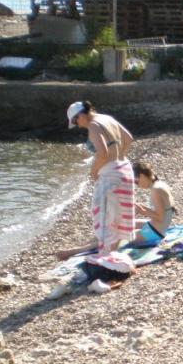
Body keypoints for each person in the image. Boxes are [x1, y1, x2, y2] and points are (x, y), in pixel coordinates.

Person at [55, 101, 135, 260]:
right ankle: (113, 255)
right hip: (125, 169)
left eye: (75, 121)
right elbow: (128, 138)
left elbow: (102, 153)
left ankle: (106, 258)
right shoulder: (108, 119)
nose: (78, 125)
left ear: (80, 115)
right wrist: (119, 156)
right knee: (118, 217)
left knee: (105, 218)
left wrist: (94, 172)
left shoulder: (93, 125)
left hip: (111, 175)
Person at [132, 161, 176, 246]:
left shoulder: (156, 190)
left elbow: (160, 217)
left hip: (154, 232)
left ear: (142, 176)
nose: (137, 185)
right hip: (159, 228)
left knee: (119, 236)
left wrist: (142, 211)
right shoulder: (160, 184)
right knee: (127, 224)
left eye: (136, 182)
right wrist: (143, 207)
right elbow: (163, 211)